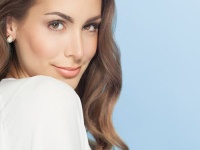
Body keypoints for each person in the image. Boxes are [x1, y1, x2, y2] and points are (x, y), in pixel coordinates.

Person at [0, 0, 129, 149]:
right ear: (10, 25)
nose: (78, 51)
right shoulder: (50, 97)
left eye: (90, 27)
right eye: (56, 24)